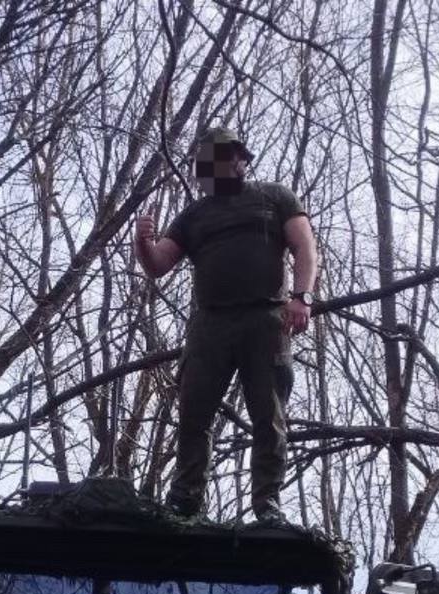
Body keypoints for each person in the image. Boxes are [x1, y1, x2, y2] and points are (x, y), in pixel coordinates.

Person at [134, 125, 318, 521]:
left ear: (238, 159)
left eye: (221, 158)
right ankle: (185, 498)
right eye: (206, 163)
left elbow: (304, 244)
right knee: (194, 412)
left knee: (268, 416)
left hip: (265, 319)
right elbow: (159, 265)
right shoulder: (194, 216)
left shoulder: (273, 197)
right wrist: (142, 244)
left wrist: (302, 297)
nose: (214, 168)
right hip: (211, 324)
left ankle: (266, 504)